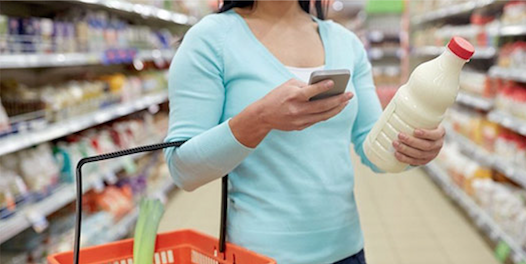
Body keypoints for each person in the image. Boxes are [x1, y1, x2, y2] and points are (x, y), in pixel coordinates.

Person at [164, 1, 446, 263]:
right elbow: (183, 169)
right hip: (259, 254)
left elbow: (372, 146)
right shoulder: (211, 39)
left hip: (346, 249)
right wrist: (260, 118)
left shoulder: (345, 42)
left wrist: (414, 148)